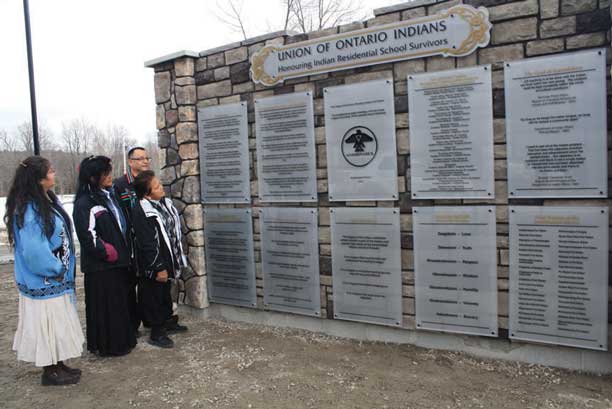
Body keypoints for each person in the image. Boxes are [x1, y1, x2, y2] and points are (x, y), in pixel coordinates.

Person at [6, 156, 83, 385]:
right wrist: (55, 267)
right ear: (38, 178)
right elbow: (33, 251)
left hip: (56, 280)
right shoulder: (30, 210)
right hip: (45, 280)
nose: (54, 173)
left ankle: (58, 363)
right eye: (50, 171)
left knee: (57, 324)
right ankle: (50, 371)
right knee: (47, 325)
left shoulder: (44, 201)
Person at [73, 155, 136, 356]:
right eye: (105, 173)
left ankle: (123, 341)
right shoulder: (85, 202)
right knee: (105, 307)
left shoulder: (109, 195)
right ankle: (108, 346)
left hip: (118, 263)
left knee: (119, 305)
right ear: (93, 177)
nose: (110, 176)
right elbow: (87, 235)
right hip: (102, 266)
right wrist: (107, 252)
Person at [132, 170, 188, 348]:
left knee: (164, 293)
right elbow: (148, 242)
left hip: (167, 257)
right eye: (156, 186)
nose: (161, 187)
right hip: (154, 263)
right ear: (147, 193)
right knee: (153, 296)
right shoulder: (142, 211)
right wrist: (158, 267)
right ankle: (156, 332)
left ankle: (168, 322)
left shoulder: (164, 203)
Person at [113, 146, 150, 335]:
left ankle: (151, 320)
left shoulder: (150, 182)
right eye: (140, 158)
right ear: (130, 161)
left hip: (147, 242)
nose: (145, 161)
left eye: (147, 158)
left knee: (148, 284)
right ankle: (132, 325)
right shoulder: (119, 185)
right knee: (129, 286)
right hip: (129, 243)